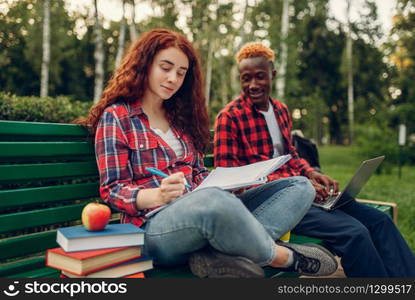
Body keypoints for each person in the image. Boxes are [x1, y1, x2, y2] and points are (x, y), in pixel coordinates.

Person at [78, 29, 338, 278]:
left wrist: (232, 181)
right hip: (154, 229)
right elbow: (112, 190)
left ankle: (220, 254)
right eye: (166, 68)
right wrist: (156, 194)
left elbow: (199, 174)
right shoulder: (118, 117)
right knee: (212, 201)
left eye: (181, 73)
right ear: (144, 64)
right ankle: (281, 257)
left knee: (299, 186)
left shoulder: (179, 119)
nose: (173, 79)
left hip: (206, 211)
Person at [214, 41, 415, 277]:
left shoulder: (280, 110)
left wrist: (310, 173)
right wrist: (297, 186)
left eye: (260, 76)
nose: (253, 84)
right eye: (245, 78)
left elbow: (291, 156)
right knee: (355, 233)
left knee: (379, 220)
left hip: (305, 194)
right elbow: (230, 183)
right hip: (276, 205)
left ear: (273, 75)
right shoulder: (230, 117)